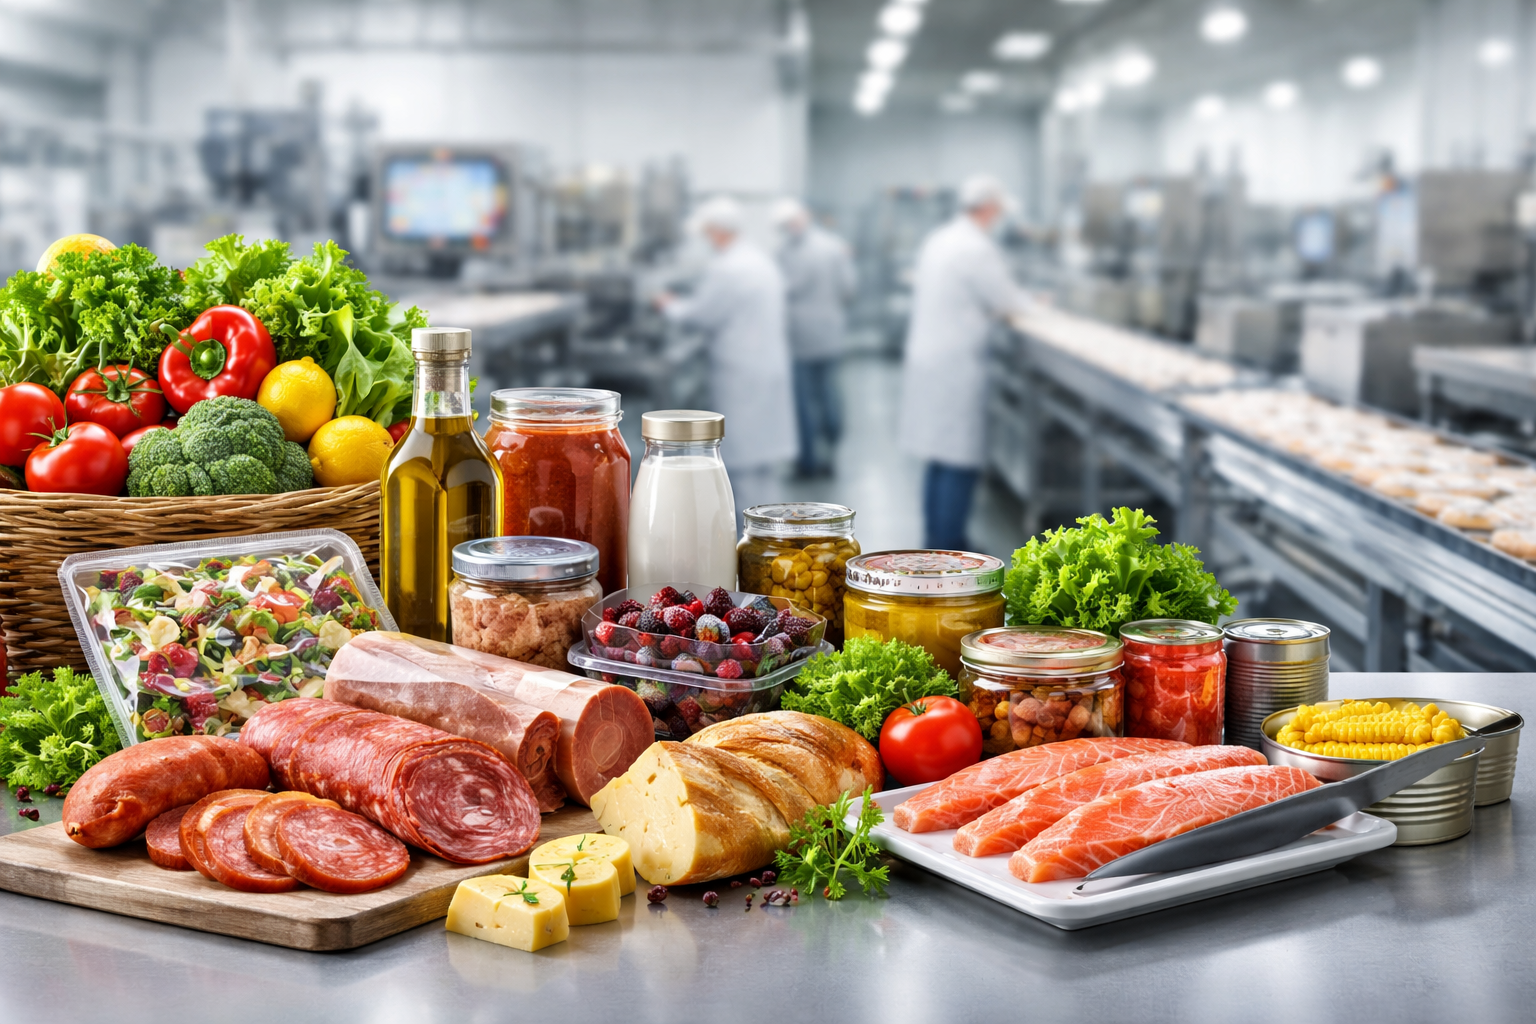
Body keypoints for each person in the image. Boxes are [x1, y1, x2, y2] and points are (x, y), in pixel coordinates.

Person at [898, 174, 1029, 551]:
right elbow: (1007, 300)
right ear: (988, 208)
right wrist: (1039, 307)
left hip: (932, 359)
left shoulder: (940, 239)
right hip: (955, 365)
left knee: (939, 456)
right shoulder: (975, 248)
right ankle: (948, 542)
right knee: (959, 456)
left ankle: (934, 538)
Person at [656, 196, 797, 524]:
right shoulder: (759, 261)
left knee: (743, 468)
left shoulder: (728, 267)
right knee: (762, 468)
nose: (706, 240)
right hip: (765, 367)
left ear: (717, 231)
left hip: (741, 373)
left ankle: (750, 551)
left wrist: (668, 305)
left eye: (707, 233)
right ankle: (771, 538)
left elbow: (702, 315)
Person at [773, 198, 857, 478]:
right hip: (831, 333)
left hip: (800, 337)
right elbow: (849, 288)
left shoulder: (786, 251)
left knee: (804, 402)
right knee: (829, 396)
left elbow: (782, 290)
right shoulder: (835, 246)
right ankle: (830, 454)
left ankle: (808, 462)